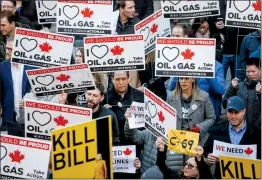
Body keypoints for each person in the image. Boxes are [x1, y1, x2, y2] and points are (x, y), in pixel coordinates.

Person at [204, 96, 261, 179]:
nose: (233, 116)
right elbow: (206, 149)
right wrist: (209, 156)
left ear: (243, 111)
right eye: (230, 112)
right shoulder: (217, 130)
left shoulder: (257, 134)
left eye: (236, 112)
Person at [167, 77, 216, 146]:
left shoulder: (204, 96)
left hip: (196, 142)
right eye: (181, 78)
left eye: (186, 78)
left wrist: (200, 128)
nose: (183, 81)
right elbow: (167, 118)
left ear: (193, 79)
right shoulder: (170, 96)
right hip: (176, 141)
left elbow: (211, 118)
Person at [0, 38, 33, 136]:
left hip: (29, 116)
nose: (7, 52)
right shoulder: (2, 67)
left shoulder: (32, 67)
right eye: (6, 49)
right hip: (8, 116)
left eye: (10, 49)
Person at [102, 71, 144, 144]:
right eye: (118, 79)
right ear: (112, 79)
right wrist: (103, 112)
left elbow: (143, 124)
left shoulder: (139, 95)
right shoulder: (105, 97)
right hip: (113, 142)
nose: (121, 82)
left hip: (134, 142)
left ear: (128, 78)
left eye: (123, 79)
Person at [144, 137, 213, 179]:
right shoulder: (176, 176)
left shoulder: (205, 176)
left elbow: (205, 171)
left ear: (199, 170)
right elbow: (161, 165)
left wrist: (199, 157)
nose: (186, 167)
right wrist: (161, 150)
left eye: (190, 166)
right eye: (186, 164)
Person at [223, 57, 261, 129]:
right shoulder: (239, 86)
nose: (250, 74)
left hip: (258, 132)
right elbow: (225, 104)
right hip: (240, 130)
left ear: (260, 70)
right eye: (248, 71)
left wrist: (260, 94)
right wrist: (232, 89)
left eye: (253, 71)